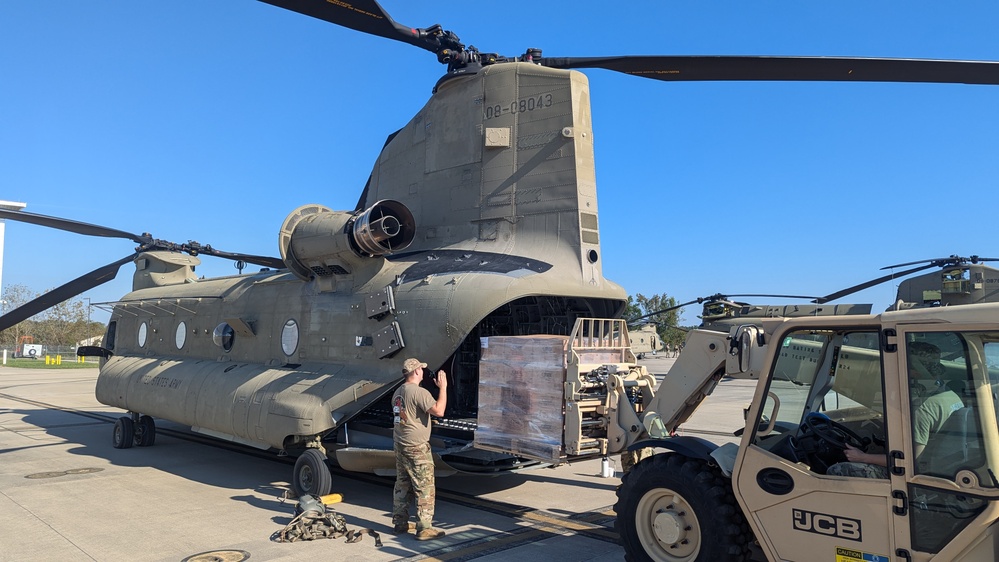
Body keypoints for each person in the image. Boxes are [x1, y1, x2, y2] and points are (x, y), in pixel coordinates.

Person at [827, 341, 963, 479]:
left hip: (915, 477)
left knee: (838, 470)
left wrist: (863, 457)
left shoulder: (922, 409)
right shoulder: (949, 395)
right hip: (942, 466)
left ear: (914, 372)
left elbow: (911, 462)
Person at [391, 357, 448, 540]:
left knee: (402, 484)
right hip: (417, 447)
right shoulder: (419, 392)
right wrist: (443, 388)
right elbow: (439, 411)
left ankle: (400, 523)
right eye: (421, 369)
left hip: (400, 445)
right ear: (416, 371)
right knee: (424, 487)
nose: (423, 372)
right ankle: (424, 527)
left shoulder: (397, 393)